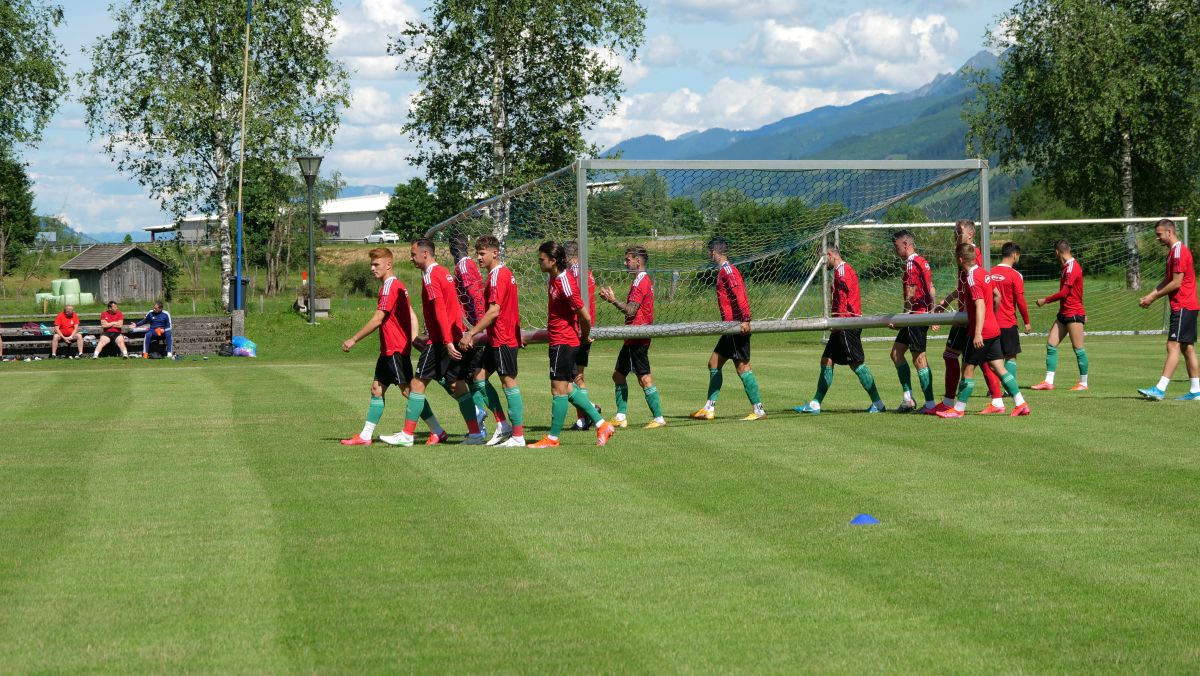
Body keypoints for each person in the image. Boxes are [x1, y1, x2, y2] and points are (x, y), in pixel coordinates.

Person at [382, 239, 487, 446]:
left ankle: (407, 434)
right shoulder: (444, 272)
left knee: (417, 383)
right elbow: (455, 308)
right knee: (457, 384)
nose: (411, 258)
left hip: (440, 340)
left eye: (413, 254)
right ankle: (475, 434)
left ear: (425, 254)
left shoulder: (431, 276)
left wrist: (447, 341)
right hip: (452, 336)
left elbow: (440, 309)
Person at [340, 247, 447, 445]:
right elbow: (410, 312)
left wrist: (353, 339)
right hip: (389, 349)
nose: (372, 268)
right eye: (371, 264)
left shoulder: (390, 286)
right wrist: (414, 337)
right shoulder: (396, 286)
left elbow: (378, 319)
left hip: (395, 349)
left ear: (388, 264)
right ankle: (365, 436)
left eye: (376, 264)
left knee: (410, 391)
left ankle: (437, 430)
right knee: (376, 389)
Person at [528, 241, 615, 448]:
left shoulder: (564, 281)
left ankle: (553, 438)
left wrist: (584, 338)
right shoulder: (553, 279)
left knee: (558, 390)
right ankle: (603, 425)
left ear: (553, 260)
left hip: (564, 343)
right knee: (567, 388)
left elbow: (584, 316)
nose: (539, 263)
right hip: (560, 341)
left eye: (542, 260)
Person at [937, 243, 1031, 418]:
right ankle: (1020, 403)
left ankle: (958, 409)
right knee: (998, 367)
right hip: (994, 328)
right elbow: (997, 296)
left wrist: (979, 331)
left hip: (981, 331)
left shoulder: (971, 277)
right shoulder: (985, 273)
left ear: (959, 259)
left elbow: (980, 304)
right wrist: (992, 317)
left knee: (967, 368)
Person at [794, 245, 886, 414]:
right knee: (827, 360)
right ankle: (815, 404)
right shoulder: (843, 270)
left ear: (830, 255)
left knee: (857, 364)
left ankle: (878, 404)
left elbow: (843, 301)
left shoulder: (841, 271)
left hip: (846, 325)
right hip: (843, 323)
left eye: (823, 259)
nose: (823, 263)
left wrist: (838, 323)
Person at [458, 235, 527, 446]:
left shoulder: (498, 276)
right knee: (478, 377)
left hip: (503, 339)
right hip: (498, 338)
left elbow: (494, 310)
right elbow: (511, 307)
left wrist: (471, 333)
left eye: (482, 253)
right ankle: (503, 424)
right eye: (477, 253)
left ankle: (518, 435)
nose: (478, 258)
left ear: (494, 253)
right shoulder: (501, 274)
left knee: (508, 382)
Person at [932, 220, 1004, 414]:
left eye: (958, 232)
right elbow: (964, 286)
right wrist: (946, 302)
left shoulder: (972, 254)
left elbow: (980, 283)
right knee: (979, 359)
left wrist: (987, 315)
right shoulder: (963, 254)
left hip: (969, 315)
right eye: (954, 231)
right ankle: (998, 401)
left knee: (954, 356)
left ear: (970, 234)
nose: (955, 235)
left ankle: (951, 403)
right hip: (966, 313)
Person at [690, 236, 766, 421]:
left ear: (714, 252)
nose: (709, 255)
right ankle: (709, 408)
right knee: (713, 363)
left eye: (709, 252)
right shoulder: (724, 271)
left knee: (742, 367)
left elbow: (739, 293)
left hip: (736, 326)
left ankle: (758, 410)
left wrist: (745, 319)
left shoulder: (728, 271)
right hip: (728, 328)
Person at [599, 245, 666, 429]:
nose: (625, 262)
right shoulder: (642, 280)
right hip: (634, 335)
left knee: (644, 378)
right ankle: (621, 416)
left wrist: (612, 300)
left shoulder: (640, 281)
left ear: (638, 260)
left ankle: (659, 418)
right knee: (618, 375)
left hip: (637, 335)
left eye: (628, 259)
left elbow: (630, 310)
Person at [449, 231, 506, 436]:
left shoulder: (464, 265)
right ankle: (480, 421)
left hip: (473, 330)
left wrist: (474, 330)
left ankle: (484, 416)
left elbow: (475, 296)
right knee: (468, 378)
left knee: (459, 377)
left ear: (452, 248)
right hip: (473, 329)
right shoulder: (468, 265)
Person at [1136, 219, 1200, 401]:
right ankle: (1196, 391)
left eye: (1159, 234)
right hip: (1186, 305)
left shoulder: (1178, 252)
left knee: (1173, 345)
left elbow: (1176, 282)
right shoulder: (1173, 252)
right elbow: (1167, 280)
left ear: (1169, 232)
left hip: (1184, 305)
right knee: (1187, 348)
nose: (1157, 238)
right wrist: (1149, 296)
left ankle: (1160, 389)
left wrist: (1153, 297)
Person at [886, 230, 937, 413]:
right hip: (920, 315)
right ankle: (908, 399)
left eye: (896, 246)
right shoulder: (922, 261)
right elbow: (931, 289)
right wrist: (933, 314)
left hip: (915, 316)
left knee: (919, 359)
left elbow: (910, 294)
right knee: (896, 354)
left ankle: (930, 404)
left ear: (905, 244)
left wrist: (902, 318)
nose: (895, 250)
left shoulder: (910, 264)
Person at [1032, 239, 1089, 391]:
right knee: (1051, 344)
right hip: (1064, 312)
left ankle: (1083, 383)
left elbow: (1064, 293)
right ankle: (1048, 382)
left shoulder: (1072, 267)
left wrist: (1045, 300)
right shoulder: (1067, 267)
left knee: (1078, 348)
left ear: (1057, 252)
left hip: (1073, 313)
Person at [564, 241, 602, 430]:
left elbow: (577, 302)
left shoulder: (575, 273)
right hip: (586, 326)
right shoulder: (586, 272)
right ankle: (586, 415)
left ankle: (588, 412)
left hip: (578, 329)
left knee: (569, 377)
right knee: (577, 375)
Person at [989, 242, 1031, 384]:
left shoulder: (989, 272)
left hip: (991, 323)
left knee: (994, 358)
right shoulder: (1015, 275)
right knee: (1010, 357)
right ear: (1014, 255)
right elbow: (1021, 301)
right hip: (1008, 322)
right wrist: (1027, 322)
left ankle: (993, 390)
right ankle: (1008, 388)